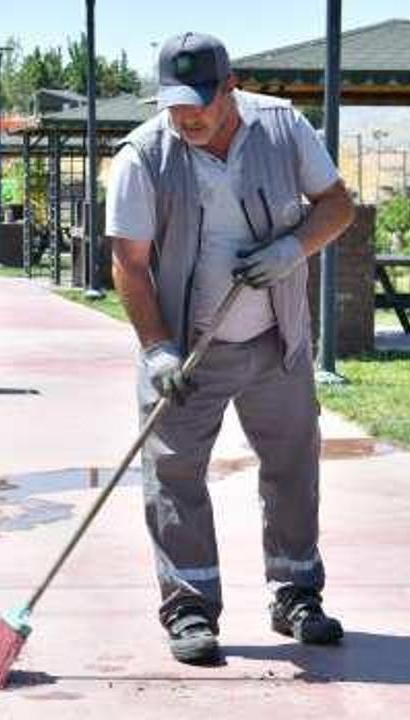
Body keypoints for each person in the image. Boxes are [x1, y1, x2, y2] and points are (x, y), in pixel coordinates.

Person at [106, 31, 356, 665]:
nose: (186, 116)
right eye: (174, 104)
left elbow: (337, 205)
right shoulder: (142, 155)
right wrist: (158, 349)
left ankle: (296, 592)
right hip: (187, 350)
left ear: (230, 87)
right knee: (175, 473)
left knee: (293, 463)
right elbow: (129, 265)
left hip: (277, 336)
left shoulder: (282, 128)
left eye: (198, 102)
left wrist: (291, 248)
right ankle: (190, 606)